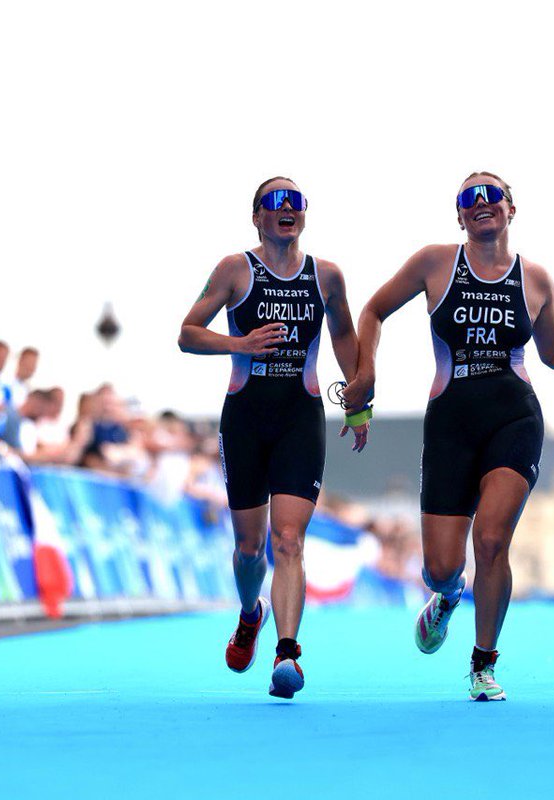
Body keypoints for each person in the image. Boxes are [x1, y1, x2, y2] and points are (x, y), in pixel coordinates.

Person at [346, 172, 554, 701]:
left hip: (513, 420)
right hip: (450, 425)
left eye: (492, 196)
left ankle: (483, 662)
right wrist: (365, 371)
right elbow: (372, 311)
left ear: (512, 210)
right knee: (441, 567)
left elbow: (553, 352)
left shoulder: (535, 281)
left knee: (491, 540)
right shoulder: (435, 263)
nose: (482, 203)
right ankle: (446, 597)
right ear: (459, 215)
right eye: (470, 198)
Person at [178, 177, 368, 699]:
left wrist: (358, 406)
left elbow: (345, 336)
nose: (286, 209)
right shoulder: (235, 270)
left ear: (304, 215)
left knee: (289, 540)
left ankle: (288, 654)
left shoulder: (326, 276)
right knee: (248, 547)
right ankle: (249, 613)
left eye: (295, 202)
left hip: (299, 419)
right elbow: (187, 333)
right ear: (256, 216)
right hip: (245, 418)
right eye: (273, 202)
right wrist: (239, 342)